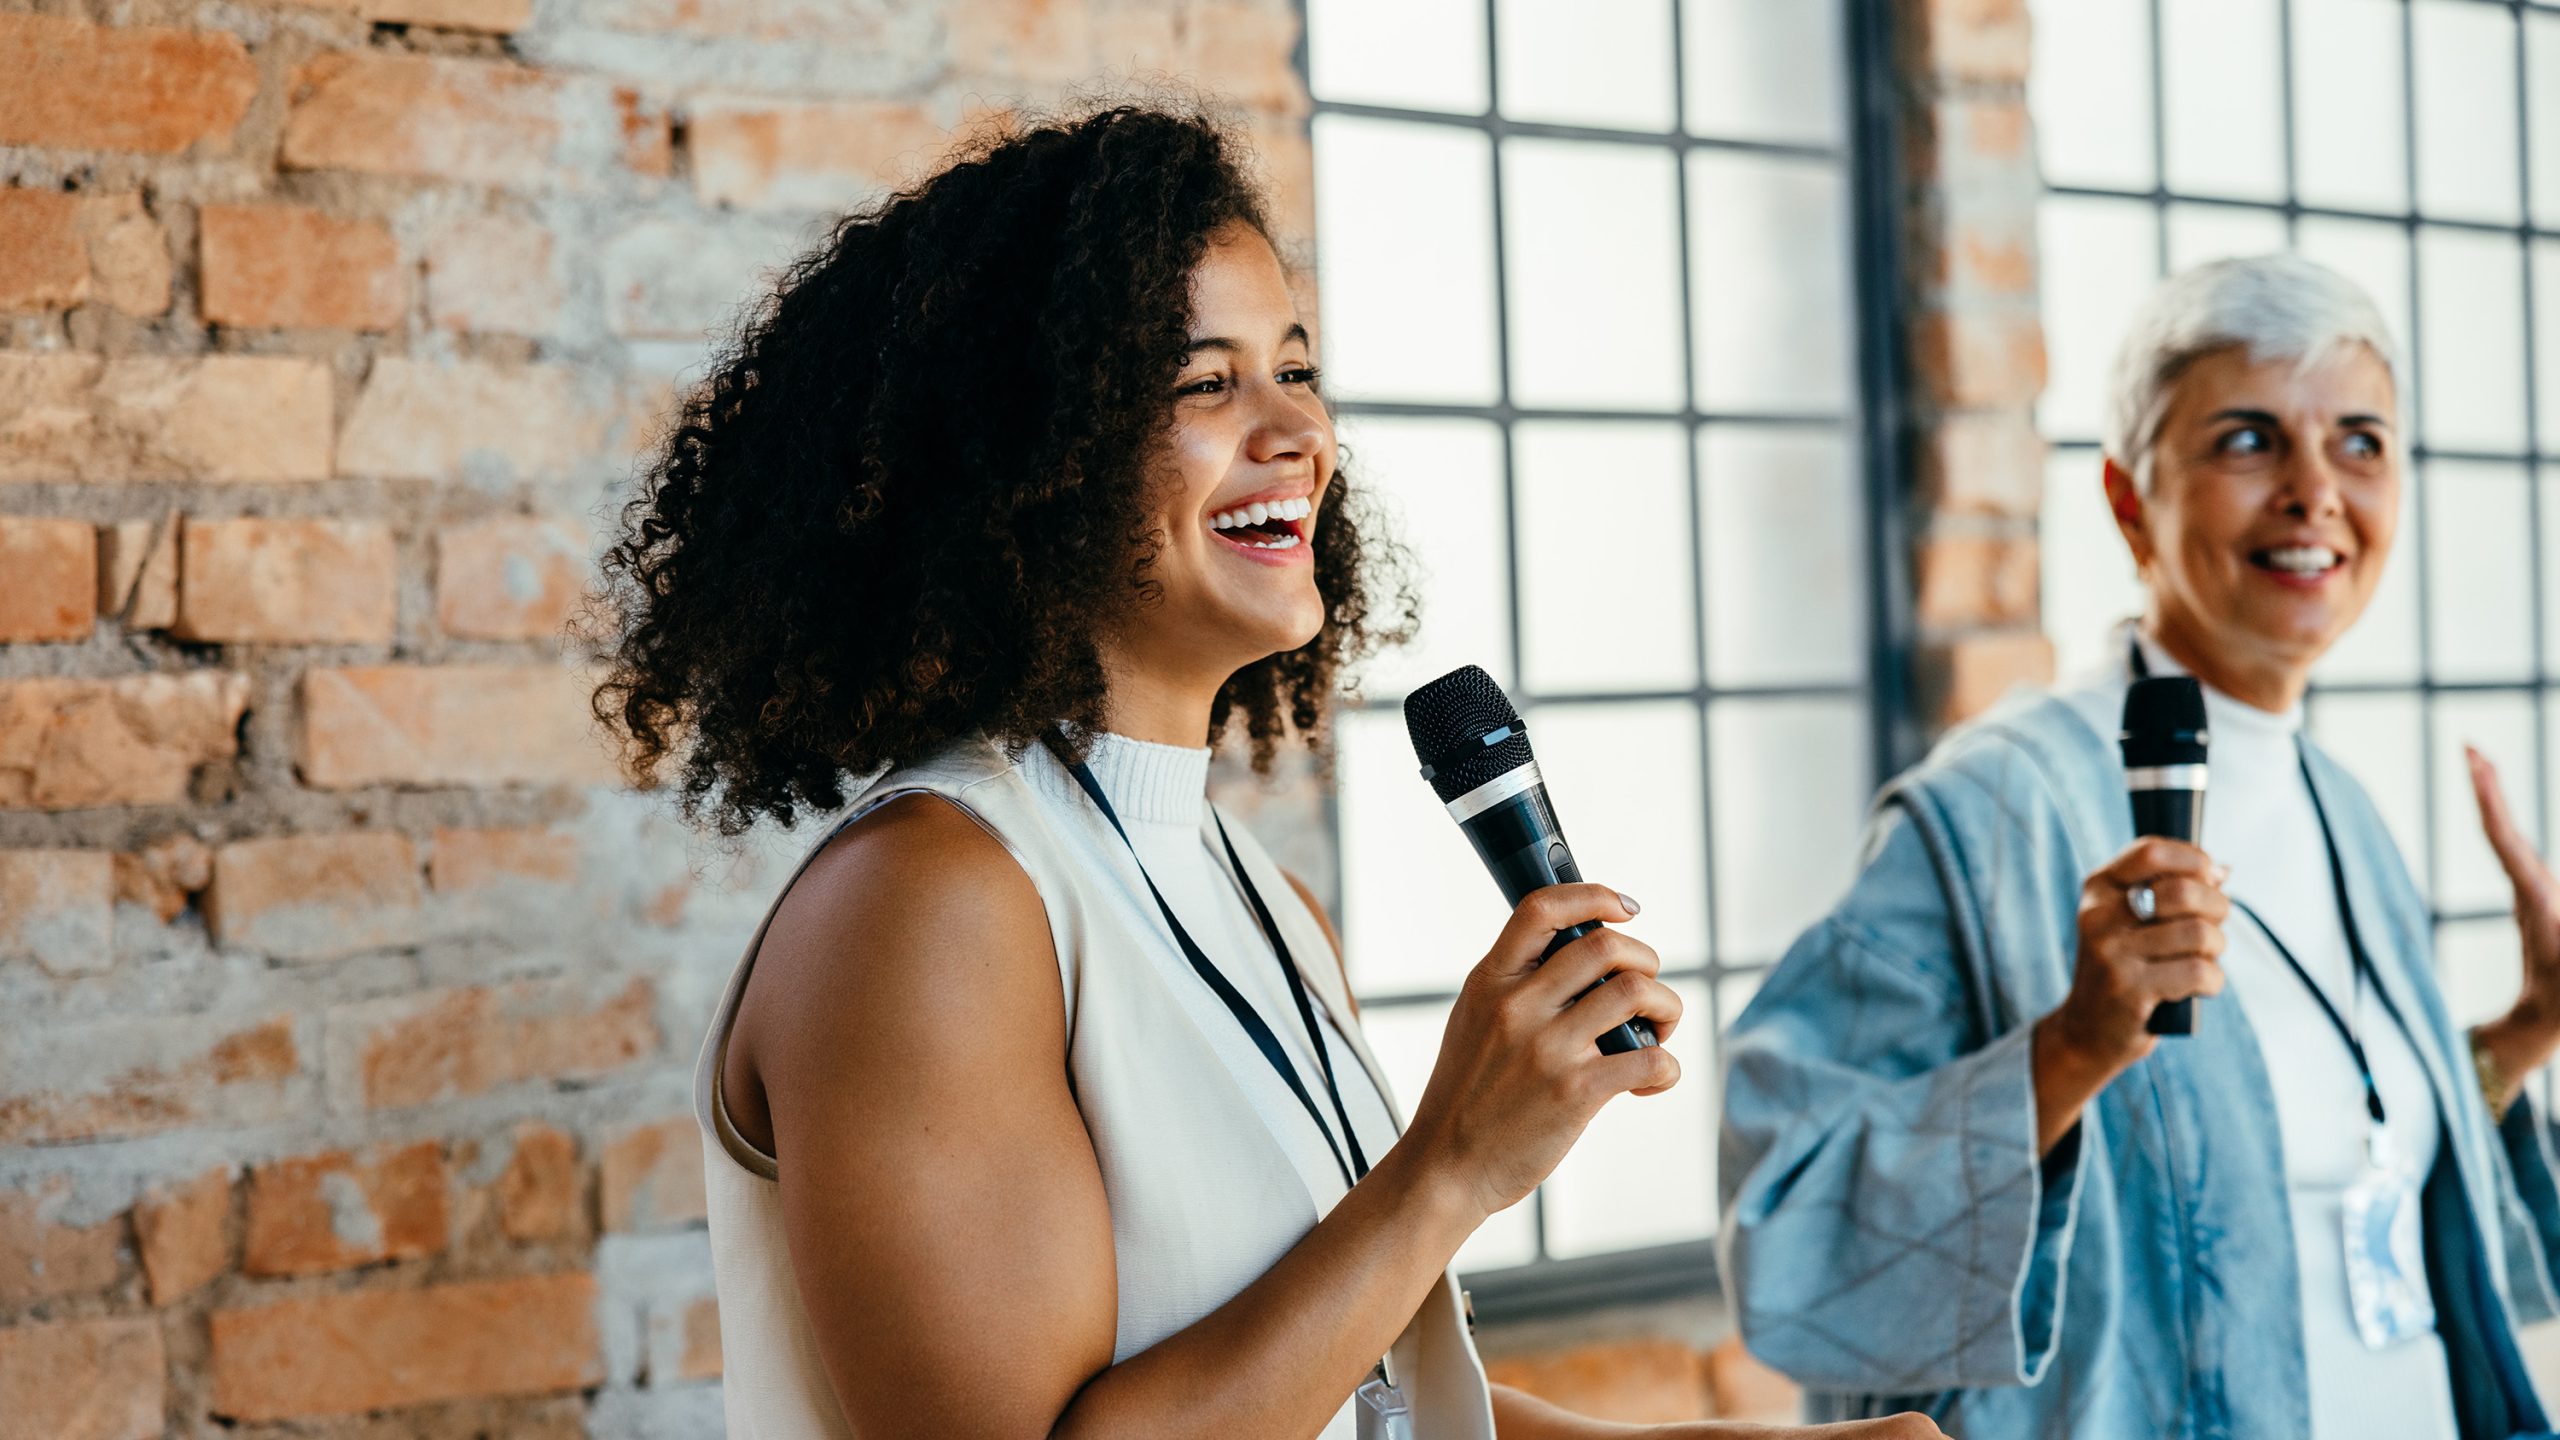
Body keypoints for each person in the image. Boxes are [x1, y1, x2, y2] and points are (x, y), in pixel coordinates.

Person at [589, 102, 1942, 1440]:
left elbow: (1353, 1405)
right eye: (1204, 382)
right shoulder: (930, 902)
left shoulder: (1266, 903)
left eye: (1295, 368)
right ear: (1027, 456)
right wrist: (1451, 1167)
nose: (1293, 430)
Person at [1717, 254, 2560, 1438]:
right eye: (2249, 440)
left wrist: (2528, 1032)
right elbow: (1789, 1234)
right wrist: (2070, 1048)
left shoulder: (2342, 806)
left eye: (2359, 441)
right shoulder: (1987, 814)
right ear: (2127, 502)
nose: (2314, 490)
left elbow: (2348, 1153)